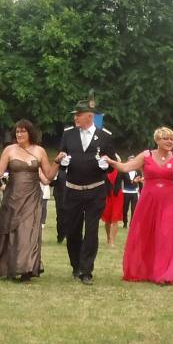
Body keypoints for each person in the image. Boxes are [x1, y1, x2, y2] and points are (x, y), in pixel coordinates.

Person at [110, 128, 173, 285]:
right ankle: (142, 270)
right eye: (165, 138)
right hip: (148, 200)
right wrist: (111, 161)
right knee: (144, 233)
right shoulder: (146, 155)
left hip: (170, 201)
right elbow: (126, 167)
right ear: (157, 140)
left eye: (171, 139)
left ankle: (164, 275)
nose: (169, 141)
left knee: (165, 235)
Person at [0, 119, 56, 281]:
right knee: (10, 231)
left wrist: (57, 162)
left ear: (30, 133)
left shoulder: (39, 151)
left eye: (23, 131)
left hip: (32, 198)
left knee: (28, 231)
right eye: (17, 131)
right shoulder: (9, 150)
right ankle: (10, 267)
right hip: (12, 197)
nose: (19, 134)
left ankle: (27, 268)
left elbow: (49, 176)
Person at [55, 100, 116, 283]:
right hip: (73, 190)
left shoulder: (104, 136)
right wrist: (62, 161)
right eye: (75, 115)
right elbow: (61, 156)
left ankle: (86, 270)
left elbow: (111, 164)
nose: (76, 118)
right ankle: (76, 266)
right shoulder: (68, 134)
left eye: (79, 114)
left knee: (91, 230)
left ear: (90, 116)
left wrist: (106, 166)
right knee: (73, 230)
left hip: (95, 191)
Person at [101, 166, 125, 247]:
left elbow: (128, 178)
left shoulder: (120, 169)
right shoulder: (104, 169)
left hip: (117, 196)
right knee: (107, 219)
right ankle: (108, 237)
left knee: (115, 218)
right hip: (107, 196)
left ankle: (112, 241)